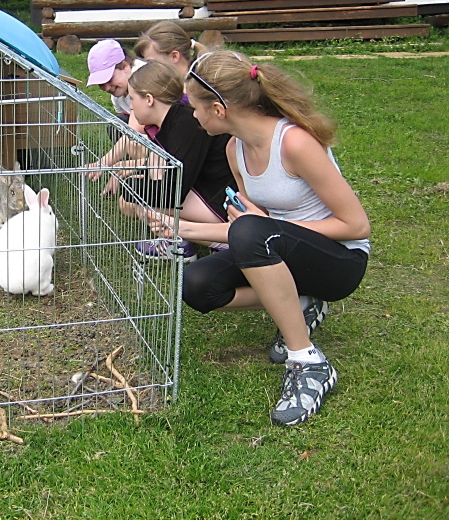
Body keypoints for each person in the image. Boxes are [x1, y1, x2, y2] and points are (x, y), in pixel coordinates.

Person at [145, 50, 371, 426]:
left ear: (219, 109)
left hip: (341, 261)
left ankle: (308, 363)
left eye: (195, 107)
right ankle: (300, 302)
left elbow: (356, 226)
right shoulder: (235, 149)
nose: (193, 115)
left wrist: (268, 228)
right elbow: (252, 230)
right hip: (279, 248)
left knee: (252, 232)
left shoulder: (294, 143)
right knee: (196, 285)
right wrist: (180, 228)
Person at [115, 60, 237, 263]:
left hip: (220, 202)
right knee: (131, 199)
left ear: (149, 99)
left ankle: (218, 241)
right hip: (203, 191)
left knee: (140, 202)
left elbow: (173, 191)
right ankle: (183, 236)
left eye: (133, 98)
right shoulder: (171, 122)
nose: (131, 106)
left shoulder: (186, 124)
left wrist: (131, 186)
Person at [84, 39, 149, 195]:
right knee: (118, 125)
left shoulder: (145, 80)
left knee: (130, 135)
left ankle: (143, 170)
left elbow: (134, 132)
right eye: (101, 83)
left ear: (125, 67)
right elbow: (130, 130)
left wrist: (105, 163)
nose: (106, 87)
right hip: (146, 133)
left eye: (109, 79)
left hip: (163, 137)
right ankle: (138, 168)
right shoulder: (118, 96)